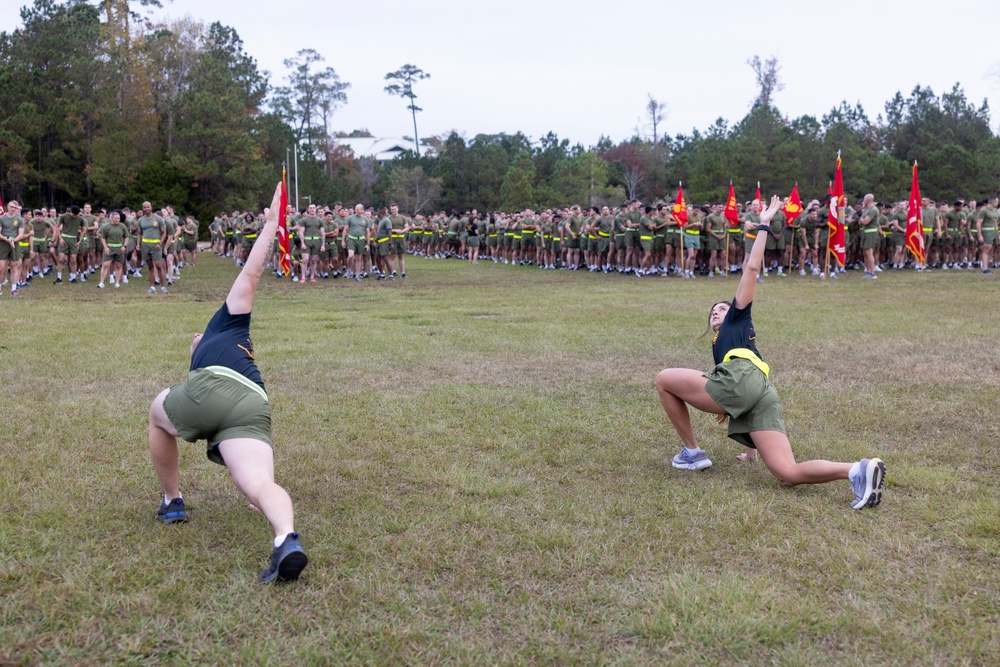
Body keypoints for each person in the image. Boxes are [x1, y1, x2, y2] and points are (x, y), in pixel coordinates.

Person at [653, 196, 885, 510]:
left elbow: (751, 267)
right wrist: (750, 449)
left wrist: (763, 224)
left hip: (747, 380)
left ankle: (692, 454)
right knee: (786, 473)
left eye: (723, 307)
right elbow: (740, 394)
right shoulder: (722, 344)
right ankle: (857, 471)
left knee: (664, 379)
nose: (718, 311)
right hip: (762, 391)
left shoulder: (738, 317)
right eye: (713, 311)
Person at [147, 182, 308, 583]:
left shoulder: (228, 319)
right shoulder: (226, 346)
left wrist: (271, 226)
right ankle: (286, 538)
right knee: (258, 484)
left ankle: (172, 501)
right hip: (253, 403)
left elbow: (252, 273)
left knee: (156, 412)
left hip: (213, 389)